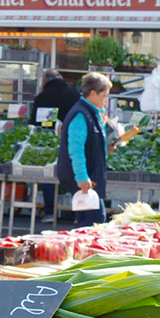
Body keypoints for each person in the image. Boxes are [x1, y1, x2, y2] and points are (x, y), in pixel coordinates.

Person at [56, 72, 115, 228]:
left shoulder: (92, 112)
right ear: (93, 93)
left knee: (86, 220)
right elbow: (76, 149)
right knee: (96, 219)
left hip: (87, 174)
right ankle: (68, 245)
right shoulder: (81, 115)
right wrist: (82, 177)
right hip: (82, 175)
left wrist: (107, 149)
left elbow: (91, 144)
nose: (106, 100)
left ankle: (77, 249)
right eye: (104, 95)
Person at [30, 69, 81, 222]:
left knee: (47, 176)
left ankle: (50, 212)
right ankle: (77, 213)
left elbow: (34, 122)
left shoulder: (43, 96)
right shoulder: (74, 95)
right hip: (71, 139)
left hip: (46, 140)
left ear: (45, 80)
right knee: (74, 176)